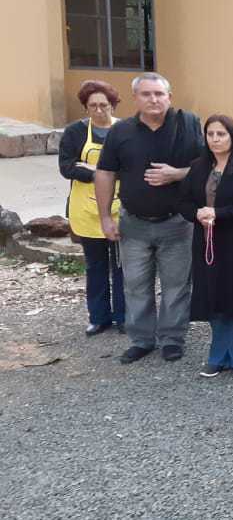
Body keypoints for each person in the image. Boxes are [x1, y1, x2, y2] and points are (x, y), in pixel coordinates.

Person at [95, 72, 202, 365]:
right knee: (135, 285)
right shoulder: (121, 132)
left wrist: (176, 174)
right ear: (135, 99)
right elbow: (104, 173)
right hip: (134, 224)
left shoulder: (188, 124)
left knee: (176, 286)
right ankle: (142, 340)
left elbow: (210, 165)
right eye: (146, 94)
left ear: (169, 96)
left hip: (176, 223)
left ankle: (171, 339)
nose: (154, 99)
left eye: (159, 94)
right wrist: (105, 217)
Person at [177, 115, 233, 380]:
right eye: (211, 134)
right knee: (213, 297)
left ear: (232, 136)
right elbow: (182, 201)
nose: (216, 139)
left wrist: (220, 213)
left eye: (221, 134)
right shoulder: (198, 166)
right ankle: (219, 355)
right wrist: (197, 213)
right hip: (207, 242)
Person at [60, 80, 126, 337]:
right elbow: (67, 167)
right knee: (95, 267)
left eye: (104, 105)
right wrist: (105, 173)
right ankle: (99, 318)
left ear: (113, 105)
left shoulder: (125, 130)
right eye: (92, 106)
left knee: (122, 267)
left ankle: (124, 316)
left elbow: (133, 166)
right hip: (86, 211)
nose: (99, 111)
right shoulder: (74, 132)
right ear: (85, 108)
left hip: (121, 207)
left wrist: (90, 169)